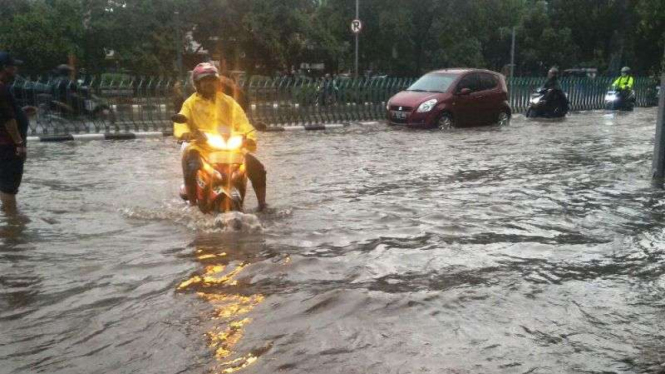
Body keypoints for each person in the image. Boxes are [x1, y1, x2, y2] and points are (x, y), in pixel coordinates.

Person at [174, 62, 268, 211]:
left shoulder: (228, 102)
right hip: (201, 147)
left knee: (258, 168)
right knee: (192, 167)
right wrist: (184, 133)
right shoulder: (190, 104)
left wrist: (249, 138)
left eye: (212, 80)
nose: (209, 83)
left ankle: (262, 205)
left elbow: (243, 123)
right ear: (198, 84)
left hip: (230, 147)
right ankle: (193, 205)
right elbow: (181, 121)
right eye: (205, 80)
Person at [0, 52, 30, 214]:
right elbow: (7, 118)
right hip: (8, 146)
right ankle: (12, 225)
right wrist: (19, 144)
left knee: (5, 184)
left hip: (4, 145)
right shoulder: (1, 88)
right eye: (13, 66)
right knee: (9, 187)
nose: (16, 69)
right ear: (5, 68)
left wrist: (22, 113)